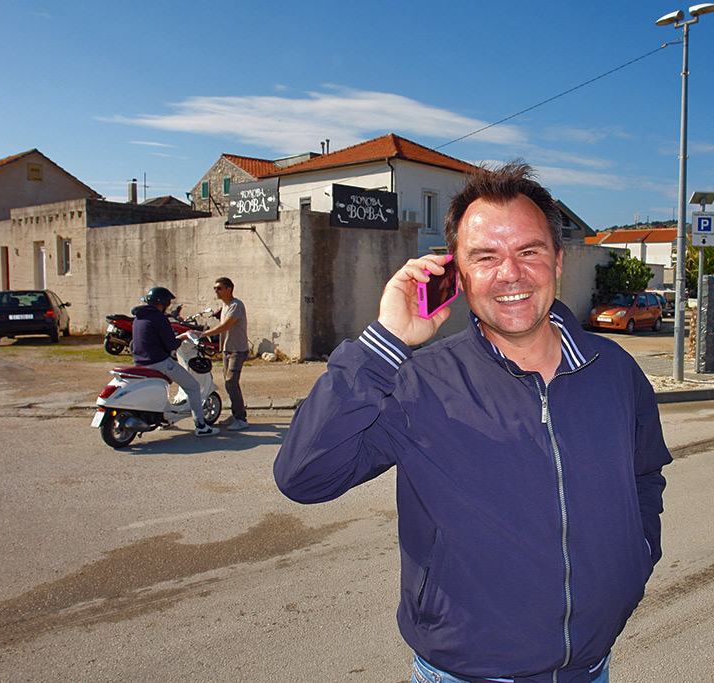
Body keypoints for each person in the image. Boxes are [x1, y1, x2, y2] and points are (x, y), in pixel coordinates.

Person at [274, 162, 672, 683]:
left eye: (529, 251)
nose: (510, 274)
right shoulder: (417, 382)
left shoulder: (613, 369)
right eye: (485, 257)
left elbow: (645, 475)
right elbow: (304, 476)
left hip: (590, 670)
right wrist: (384, 342)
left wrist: (636, 556)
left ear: (557, 261)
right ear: (456, 275)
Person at [131, 286, 218, 436]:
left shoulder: (139, 318)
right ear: (163, 303)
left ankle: (165, 419)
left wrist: (182, 336)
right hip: (159, 363)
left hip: (141, 363)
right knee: (193, 386)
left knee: (163, 388)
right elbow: (171, 344)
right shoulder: (159, 318)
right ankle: (201, 426)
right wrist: (185, 336)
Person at [199, 277, 249, 430]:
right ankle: (236, 414)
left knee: (231, 382)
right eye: (215, 288)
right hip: (227, 350)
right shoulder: (225, 306)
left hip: (237, 350)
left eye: (219, 288)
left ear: (229, 289)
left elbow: (224, 327)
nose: (216, 291)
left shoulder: (236, 305)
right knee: (229, 384)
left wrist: (201, 334)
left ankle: (241, 419)